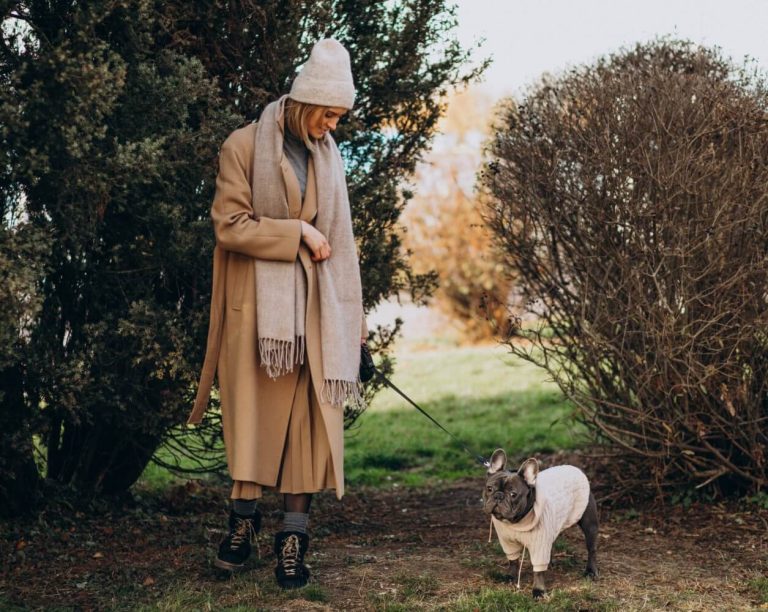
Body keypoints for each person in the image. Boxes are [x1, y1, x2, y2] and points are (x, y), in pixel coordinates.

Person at [186, 38, 367, 589]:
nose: (332, 126)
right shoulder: (242, 147)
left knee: (309, 429)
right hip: (258, 315)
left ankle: (293, 539)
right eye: (328, 114)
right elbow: (229, 225)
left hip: (317, 312)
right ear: (306, 102)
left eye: (338, 116)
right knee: (253, 423)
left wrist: (354, 324)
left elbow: (345, 242)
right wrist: (297, 234)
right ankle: (241, 527)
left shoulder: (329, 157)